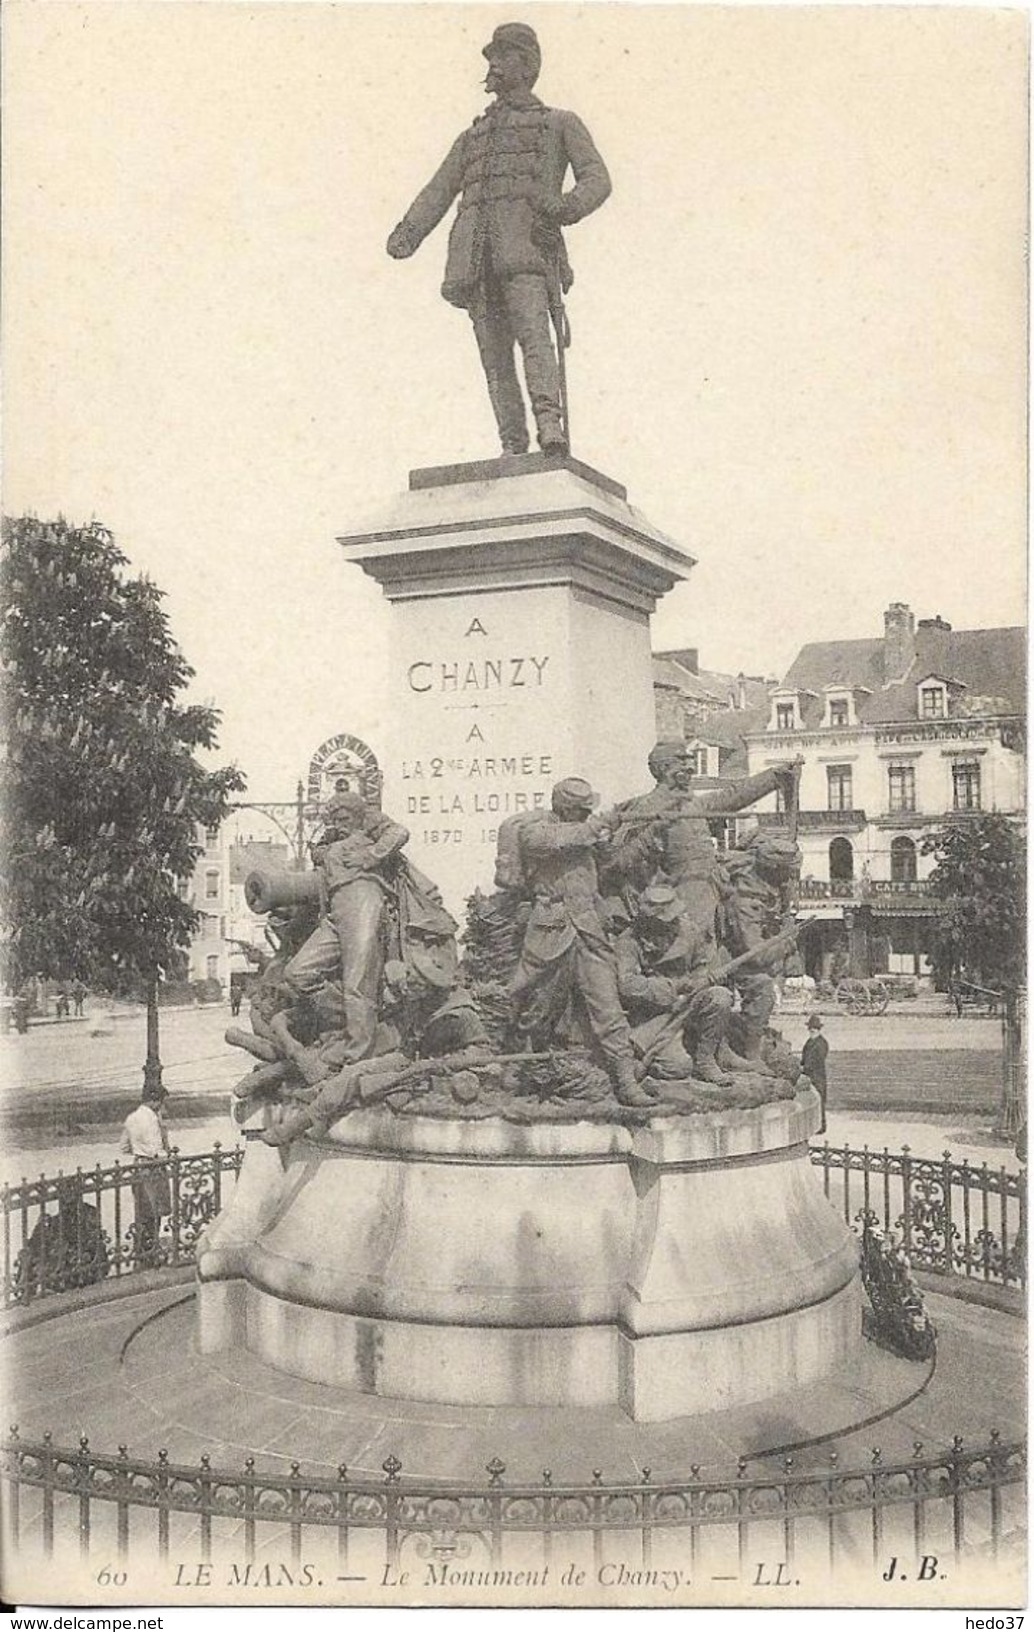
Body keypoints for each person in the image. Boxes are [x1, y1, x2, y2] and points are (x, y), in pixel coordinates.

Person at [386, 22, 611, 455]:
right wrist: (408, 233)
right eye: (491, 57)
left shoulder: (559, 124)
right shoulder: (472, 137)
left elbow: (597, 180)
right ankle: (512, 441)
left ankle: (550, 427)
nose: (492, 65)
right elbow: (439, 189)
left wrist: (563, 209)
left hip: (526, 249)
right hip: (476, 257)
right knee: (494, 358)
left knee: (535, 340)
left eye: (502, 56)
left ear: (527, 65)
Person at [507, 777, 656, 1108]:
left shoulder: (585, 833)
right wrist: (599, 825)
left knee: (608, 1007)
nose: (587, 815)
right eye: (582, 810)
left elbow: (608, 858)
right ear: (565, 807)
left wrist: (631, 824)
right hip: (550, 929)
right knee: (534, 1008)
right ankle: (519, 1071)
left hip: (588, 929)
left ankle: (625, 1081)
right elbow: (558, 840)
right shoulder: (537, 830)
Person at [262, 957, 492, 1147]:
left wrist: (444, 1062)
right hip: (410, 1060)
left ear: (430, 988)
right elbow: (409, 1046)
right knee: (356, 1069)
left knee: (356, 1084)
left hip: (434, 1074)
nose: (408, 988)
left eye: (414, 985)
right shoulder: (422, 1004)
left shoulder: (461, 1014)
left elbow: (482, 1052)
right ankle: (322, 1093)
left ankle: (301, 1122)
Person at [604, 741, 802, 944]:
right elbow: (623, 860)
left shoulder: (693, 803)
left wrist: (774, 777)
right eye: (682, 764)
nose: (690, 769)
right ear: (664, 768)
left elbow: (733, 795)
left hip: (713, 887)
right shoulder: (648, 807)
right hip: (683, 893)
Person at [283, 791, 410, 1064]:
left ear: (357, 814)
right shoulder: (333, 840)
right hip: (335, 910)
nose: (337, 824)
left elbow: (399, 833)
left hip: (363, 899)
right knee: (298, 973)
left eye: (342, 818)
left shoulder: (370, 822)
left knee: (357, 983)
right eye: (333, 819)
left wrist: (371, 856)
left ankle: (356, 1057)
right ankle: (365, 1025)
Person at [615, 885, 739, 1086]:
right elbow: (627, 985)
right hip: (651, 1015)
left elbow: (701, 966)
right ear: (651, 920)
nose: (673, 923)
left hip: (690, 1003)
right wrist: (676, 987)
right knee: (677, 1068)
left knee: (720, 997)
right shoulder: (628, 941)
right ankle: (655, 1057)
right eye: (667, 920)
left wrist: (702, 981)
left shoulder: (689, 931)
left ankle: (705, 1059)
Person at [119, 1084, 172, 1264]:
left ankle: (142, 1250)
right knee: (155, 1210)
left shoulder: (132, 1117)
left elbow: (124, 1147)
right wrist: (167, 1156)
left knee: (142, 1210)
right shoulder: (152, 1119)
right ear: (156, 1100)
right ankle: (151, 1251)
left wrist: (138, 1150)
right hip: (153, 1167)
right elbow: (158, 1150)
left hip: (138, 1166)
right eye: (161, 1101)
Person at [801, 1013, 830, 1134]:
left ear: (818, 1030)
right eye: (810, 1028)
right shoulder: (810, 1041)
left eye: (814, 1028)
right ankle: (814, 1124)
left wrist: (805, 1067)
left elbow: (818, 1059)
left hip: (817, 1075)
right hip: (809, 1074)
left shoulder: (822, 1043)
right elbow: (805, 1057)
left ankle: (821, 1126)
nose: (811, 1030)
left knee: (819, 1099)